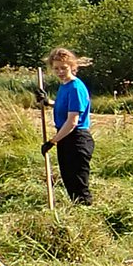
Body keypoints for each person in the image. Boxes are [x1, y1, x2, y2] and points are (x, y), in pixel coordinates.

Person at [41, 47, 95, 206]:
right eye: (56, 68)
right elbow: (64, 107)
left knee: (78, 185)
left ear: (72, 66)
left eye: (63, 68)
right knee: (69, 182)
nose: (60, 71)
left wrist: (52, 141)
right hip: (65, 138)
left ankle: (85, 217)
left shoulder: (76, 87)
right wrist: (48, 102)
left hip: (77, 139)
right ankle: (78, 211)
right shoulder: (64, 86)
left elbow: (72, 121)